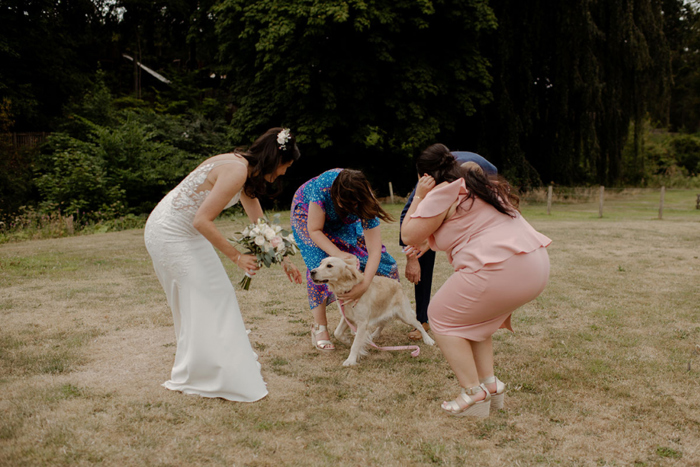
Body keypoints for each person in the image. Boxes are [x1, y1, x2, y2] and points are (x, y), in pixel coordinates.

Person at [144, 127, 303, 402]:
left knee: (216, 295)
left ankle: (209, 365)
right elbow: (201, 220)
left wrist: (284, 259)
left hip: (187, 234)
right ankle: (208, 371)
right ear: (274, 160)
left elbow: (260, 223)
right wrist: (236, 256)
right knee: (211, 295)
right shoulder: (236, 170)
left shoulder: (244, 172)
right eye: (285, 167)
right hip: (170, 233)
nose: (283, 174)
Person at [401, 144, 551, 417]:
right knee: (474, 322)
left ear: (425, 175)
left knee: (439, 316)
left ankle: (472, 393)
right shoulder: (478, 186)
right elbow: (466, 226)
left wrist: (419, 197)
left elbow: (408, 234)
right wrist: (429, 243)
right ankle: (490, 386)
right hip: (534, 264)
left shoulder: (441, 192)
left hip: (501, 268)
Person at [291, 169, 399, 350]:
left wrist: (364, 284)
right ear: (336, 196)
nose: (350, 208)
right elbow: (315, 230)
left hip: (343, 222)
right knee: (318, 267)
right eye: (346, 204)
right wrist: (337, 254)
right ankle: (320, 328)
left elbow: (374, 251)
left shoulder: (364, 199)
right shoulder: (322, 188)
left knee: (384, 264)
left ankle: (362, 316)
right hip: (309, 217)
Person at [400, 152, 498, 340]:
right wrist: (412, 259)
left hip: (481, 177)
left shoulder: (479, 174)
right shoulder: (426, 187)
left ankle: (478, 310)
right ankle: (422, 319)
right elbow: (409, 225)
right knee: (423, 250)